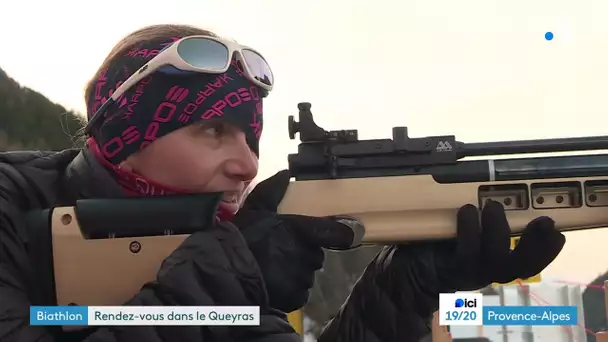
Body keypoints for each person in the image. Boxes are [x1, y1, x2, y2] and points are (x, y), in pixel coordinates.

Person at [0, 23, 566, 342]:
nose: (247, 165)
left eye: (250, 138)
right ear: (130, 133)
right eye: (214, 130)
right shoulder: (12, 204)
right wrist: (219, 286)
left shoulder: (229, 254)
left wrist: (407, 284)